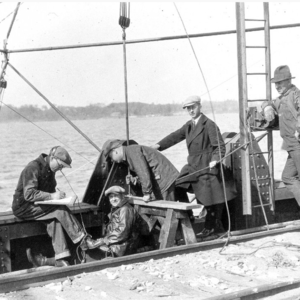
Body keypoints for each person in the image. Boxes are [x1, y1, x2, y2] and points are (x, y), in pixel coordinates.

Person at [151, 95, 228, 237]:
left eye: (193, 107)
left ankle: (211, 227)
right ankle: (189, 216)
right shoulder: (188, 125)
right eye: (188, 108)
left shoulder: (209, 125)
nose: (191, 110)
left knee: (208, 198)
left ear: (199, 106)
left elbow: (220, 147)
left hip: (206, 166)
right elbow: (174, 137)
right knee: (177, 185)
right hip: (192, 166)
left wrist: (215, 159)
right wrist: (157, 146)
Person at [12, 146, 100, 268]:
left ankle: (60, 258)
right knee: (59, 210)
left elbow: (49, 192)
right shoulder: (33, 167)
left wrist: (59, 197)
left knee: (55, 220)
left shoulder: (50, 170)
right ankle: (83, 240)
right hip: (23, 207)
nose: (61, 169)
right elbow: (29, 194)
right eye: (60, 165)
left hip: (37, 205)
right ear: (52, 158)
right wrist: (52, 196)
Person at [262, 65, 300, 205]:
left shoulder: (296, 95)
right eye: (275, 83)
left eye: (280, 82)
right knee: (288, 177)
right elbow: (269, 102)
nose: (277, 86)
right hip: (292, 147)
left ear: (289, 80)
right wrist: (267, 107)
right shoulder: (281, 99)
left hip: (298, 145)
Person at [102, 140, 179, 202]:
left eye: (111, 157)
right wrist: (135, 180)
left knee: (167, 210)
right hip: (164, 178)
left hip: (164, 180)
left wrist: (147, 193)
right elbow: (146, 171)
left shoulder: (132, 152)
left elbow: (143, 171)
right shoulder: (131, 151)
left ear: (115, 151)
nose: (112, 160)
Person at [93, 185, 140, 257]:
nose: (113, 199)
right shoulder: (117, 209)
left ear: (122, 196)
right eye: (111, 197)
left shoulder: (125, 209)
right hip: (117, 243)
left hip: (123, 247)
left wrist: (106, 240)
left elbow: (123, 231)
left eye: (116, 196)